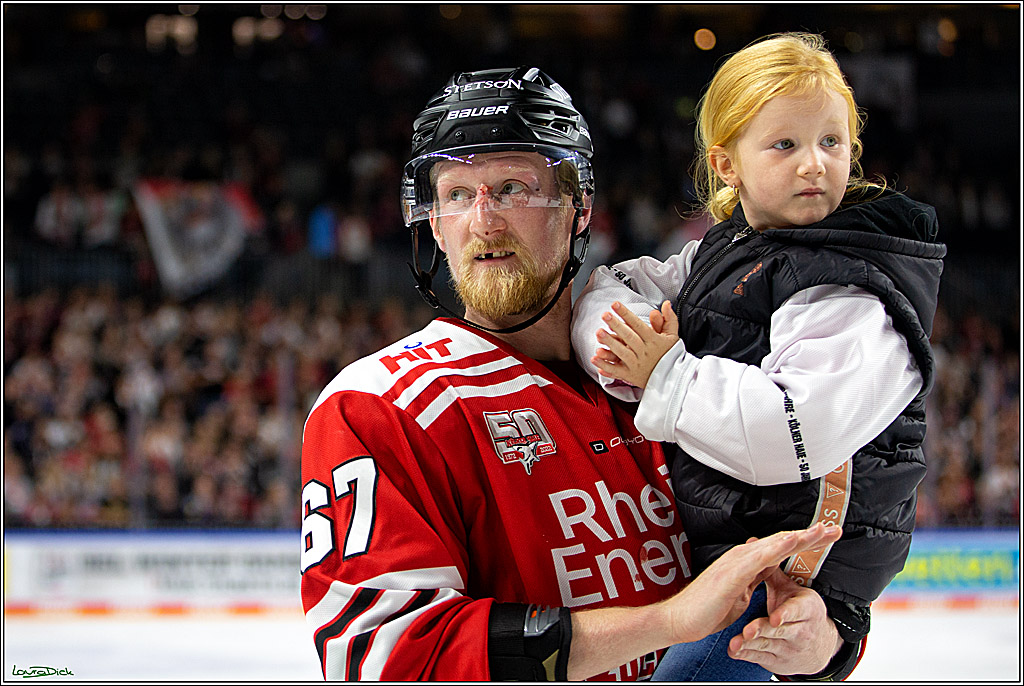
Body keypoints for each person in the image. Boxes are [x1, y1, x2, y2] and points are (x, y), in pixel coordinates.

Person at [300, 66, 848, 681]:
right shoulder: (380, 407)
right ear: (432, 221)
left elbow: (796, 550)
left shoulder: (681, 369)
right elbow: (389, 660)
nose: (484, 221)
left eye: (513, 188)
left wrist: (822, 641)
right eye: (456, 195)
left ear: (579, 207)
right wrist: (668, 622)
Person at [571, 33, 946, 681]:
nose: (814, 164)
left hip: (780, 583)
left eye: (832, 142)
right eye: (785, 144)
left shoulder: (852, 281)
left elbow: (794, 431)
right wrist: (625, 350)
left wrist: (663, 373)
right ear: (726, 165)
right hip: (730, 566)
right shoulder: (732, 252)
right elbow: (613, 289)